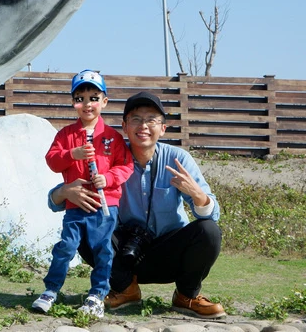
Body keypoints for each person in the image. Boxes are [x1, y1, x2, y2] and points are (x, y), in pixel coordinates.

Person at [48, 91, 226, 319]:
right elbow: (54, 203)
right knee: (84, 226)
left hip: (167, 253)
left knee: (208, 231)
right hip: (123, 255)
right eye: (136, 119)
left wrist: (199, 196)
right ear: (124, 126)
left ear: (163, 128)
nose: (143, 126)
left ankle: (186, 295)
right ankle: (124, 289)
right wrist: (63, 192)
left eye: (151, 120)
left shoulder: (178, 159)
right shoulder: (108, 156)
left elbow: (214, 214)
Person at [32, 70, 133, 318]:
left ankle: (97, 294)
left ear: (104, 101)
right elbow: (52, 161)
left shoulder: (112, 137)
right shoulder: (65, 135)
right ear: (74, 102)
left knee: (104, 250)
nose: (87, 104)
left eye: (93, 97)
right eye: (80, 98)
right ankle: (50, 290)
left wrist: (107, 178)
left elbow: (125, 166)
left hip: (105, 205)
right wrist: (71, 155)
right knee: (66, 246)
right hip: (75, 206)